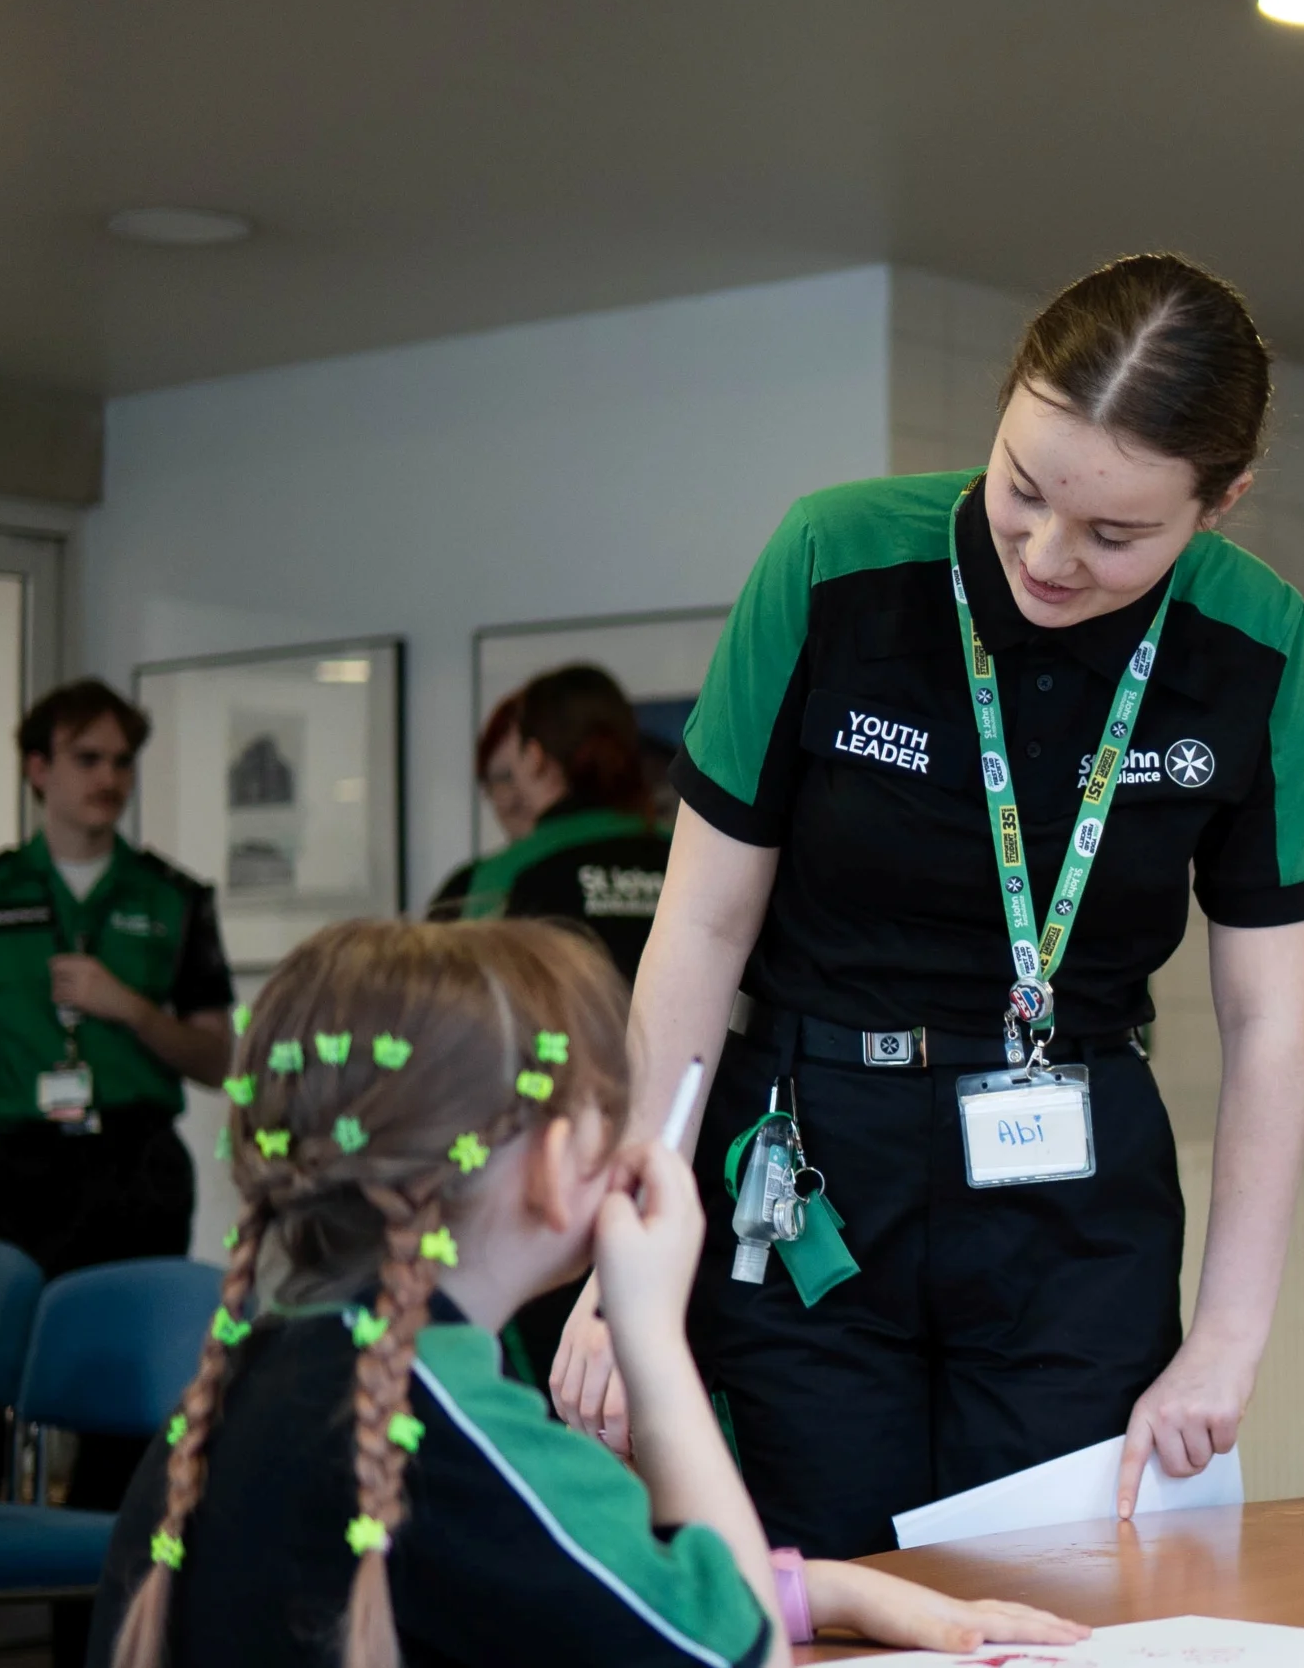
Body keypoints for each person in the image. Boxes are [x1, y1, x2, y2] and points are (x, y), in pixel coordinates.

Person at [547, 253, 1304, 1557]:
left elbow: (1271, 1021)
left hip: (1076, 1192)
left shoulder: (1257, 643)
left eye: (1117, 534)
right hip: (808, 1171)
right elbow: (699, 929)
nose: (1048, 553)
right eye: (1023, 489)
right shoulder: (831, 562)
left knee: (1063, 1594)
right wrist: (623, 1273)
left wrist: (1227, 1344)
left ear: (1221, 502)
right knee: (816, 1577)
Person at [89, 918, 1088, 1667]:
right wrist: (651, 1328)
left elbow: (533, 1583)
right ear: (565, 1158)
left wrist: (820, 1588)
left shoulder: (258, 1383)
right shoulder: (453, 1429)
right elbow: (736, 1653)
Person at [0, 680, 234, 1508]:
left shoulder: (174, 897)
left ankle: (102, 1613)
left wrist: (127, 1007)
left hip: (137, 1167)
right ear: (38, 768)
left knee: (128, 1412)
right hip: (25, 1166)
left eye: (123, 761)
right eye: (88, 758)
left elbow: (219, 1056)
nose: (109, 778)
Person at [426, 665, 672, 1385]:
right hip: (696, 1173)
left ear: (535, 757)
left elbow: (440, 1055)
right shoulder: (693, 863)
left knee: (550, 1401)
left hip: (547, 1189)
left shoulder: (493, 886)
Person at [428, 665, 671, 983]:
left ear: (533, 756)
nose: (504, 798)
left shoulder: (493, 881)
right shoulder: (686, 856)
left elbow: (446, 1004)